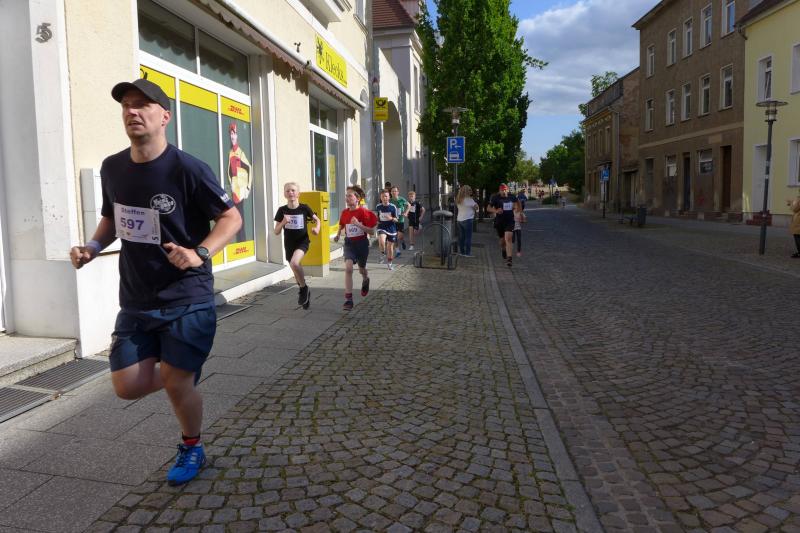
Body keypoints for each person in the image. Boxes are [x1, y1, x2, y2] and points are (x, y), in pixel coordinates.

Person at [69, 78, 242, 486]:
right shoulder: (113, 167)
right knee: (127, 386)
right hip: (136, 297)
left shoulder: (188, 168)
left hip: (187, 295)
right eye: (126, 105)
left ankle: (192, 445)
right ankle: (180, 370)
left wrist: (199, 253)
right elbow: (112, 218)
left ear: (165, 116)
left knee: (177, 382)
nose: (132, 111)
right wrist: (92, 246)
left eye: (142, 105)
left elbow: (231, 217)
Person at [274, 182, 321, 308]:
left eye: (293, 190)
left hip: (302, 241)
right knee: (296, 271)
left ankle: (304, 289)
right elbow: (276, 231)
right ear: (284, 194)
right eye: (288, 191)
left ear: (298, 194)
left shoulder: (304, 208)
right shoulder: (282, 210)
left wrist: (317, 228)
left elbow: (317, 220)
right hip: (289, 244)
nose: (290, 193)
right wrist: (283, 222)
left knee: (294, 263)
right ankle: (305, 293)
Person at [334, 186, 377, 310]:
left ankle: (365, 279)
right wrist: (338, 235)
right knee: (348, 268)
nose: (347, 198)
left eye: (350, 196)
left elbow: (372, 232)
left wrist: (358, 224)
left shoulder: (364, 212)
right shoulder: (344, 212)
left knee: (361, 268)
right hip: (349, 244)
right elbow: (341, 224)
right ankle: (348, 299)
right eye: (346, 196)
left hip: (362, 244)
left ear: (357, 198)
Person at [227, 122, 252, 242]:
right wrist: (231, 182)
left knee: (240, 216)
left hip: (241, 189)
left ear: (237, 136)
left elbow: (249, 168)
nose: (232, 136)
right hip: (234, 188)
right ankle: (239, 240)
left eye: (234, 133)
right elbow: (229, 171)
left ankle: (242, 241)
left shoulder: (240, 152)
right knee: (236, 215)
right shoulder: (231, 152)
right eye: (231, 134)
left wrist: (247, 187)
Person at [488, 183, 517, 267]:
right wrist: (496, 211)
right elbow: (488, 208)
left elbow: (517, 204)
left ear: (507, 190)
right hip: (500, 222)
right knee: (502, 241)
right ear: (499, 191)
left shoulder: (512, 197)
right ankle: (503, 249)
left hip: (510, 221)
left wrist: (517, 210)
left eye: (505, 190)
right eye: (502, 190)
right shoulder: (495, 198)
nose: (504, 191)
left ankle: (509, 259)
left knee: (508, 238)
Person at [375, 190, 399, 270]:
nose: (384, 198)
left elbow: (396, 219)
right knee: (382, 241)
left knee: (390, 247)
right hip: (382, 227)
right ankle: (383, 253)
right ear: (381, 198)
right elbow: (377, 216)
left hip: (391, 228)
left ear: (389, 197)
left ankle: (390, 263)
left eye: (386, 196)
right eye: (383, 196)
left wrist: (391, 218)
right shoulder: (378, 206)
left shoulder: (393, 207)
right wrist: (377, 220)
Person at [455, 185, 478, 257]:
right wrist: (475, 205)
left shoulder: (459, 199)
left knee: (461, 238)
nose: (471, 191)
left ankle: (462, 252)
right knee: (468, 237)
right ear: (467, 191)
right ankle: (467, 253)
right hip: (468, 220)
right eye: (470, 190)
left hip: (459, 220)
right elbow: (476, 208)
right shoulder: (470, 200)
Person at [390, 186, 410, 254]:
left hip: (400, 220)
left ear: (398, 192)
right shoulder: (390, 200)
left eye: (395, 191)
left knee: (400, 236)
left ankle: (402, 241)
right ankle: (397, 250)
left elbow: (409, 205)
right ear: (391, 192)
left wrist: (406, 213)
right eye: (393, 191)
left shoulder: (402, 199)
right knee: (394, 235)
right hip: (393, 220)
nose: (394, 192)